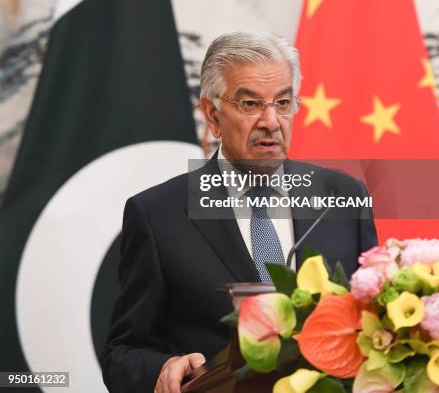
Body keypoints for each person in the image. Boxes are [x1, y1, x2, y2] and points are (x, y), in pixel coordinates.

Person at [101, 31, 377, 393]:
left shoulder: (342, 195)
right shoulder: (157, 215)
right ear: (213, 115)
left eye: (282, 102)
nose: (271, 121)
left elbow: (373, 320)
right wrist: (163, 367)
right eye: (250, 104)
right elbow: (123, 352)